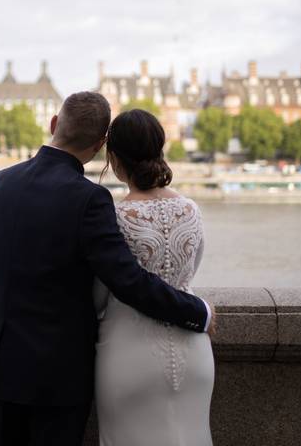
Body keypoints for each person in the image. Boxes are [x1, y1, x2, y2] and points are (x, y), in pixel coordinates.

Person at [0, 92, 213, 446]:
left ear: (54, 124)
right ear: (101, 144)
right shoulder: (90, 199)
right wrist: (199, 312)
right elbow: (127, 281)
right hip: (58, 376)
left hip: (0, 366)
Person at [94, 108, 214, 445]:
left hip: (128, 351)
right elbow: (191, 271)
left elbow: (100, 295)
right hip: (194, 352)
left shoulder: (114, 216)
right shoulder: (191, 210)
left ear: (114, 159)